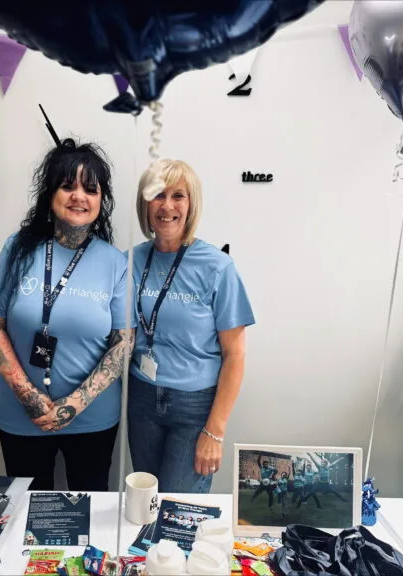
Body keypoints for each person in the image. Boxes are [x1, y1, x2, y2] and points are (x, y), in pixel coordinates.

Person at [0, 139, 134, 491]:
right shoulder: (18, 249)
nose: (79, 196)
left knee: (90, 515)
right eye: (68, 186)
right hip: (21, 416)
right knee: (27, 516)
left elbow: (123, 342)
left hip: (93, 418)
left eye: (90, 189)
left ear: (101, 200)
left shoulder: (116, 263)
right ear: (50, 195)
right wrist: (29, 396)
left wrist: (75, 404)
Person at [127, 159, 255, 494]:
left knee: (178, 512)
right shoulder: (130, 260)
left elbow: (235, 355)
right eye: (157, 195)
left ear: (191, 204)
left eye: (178, 196)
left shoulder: (217, 267)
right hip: (141, 397)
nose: (167, 206)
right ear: (145, 203)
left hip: (194, 406)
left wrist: (215, 431)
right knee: (147, 503)